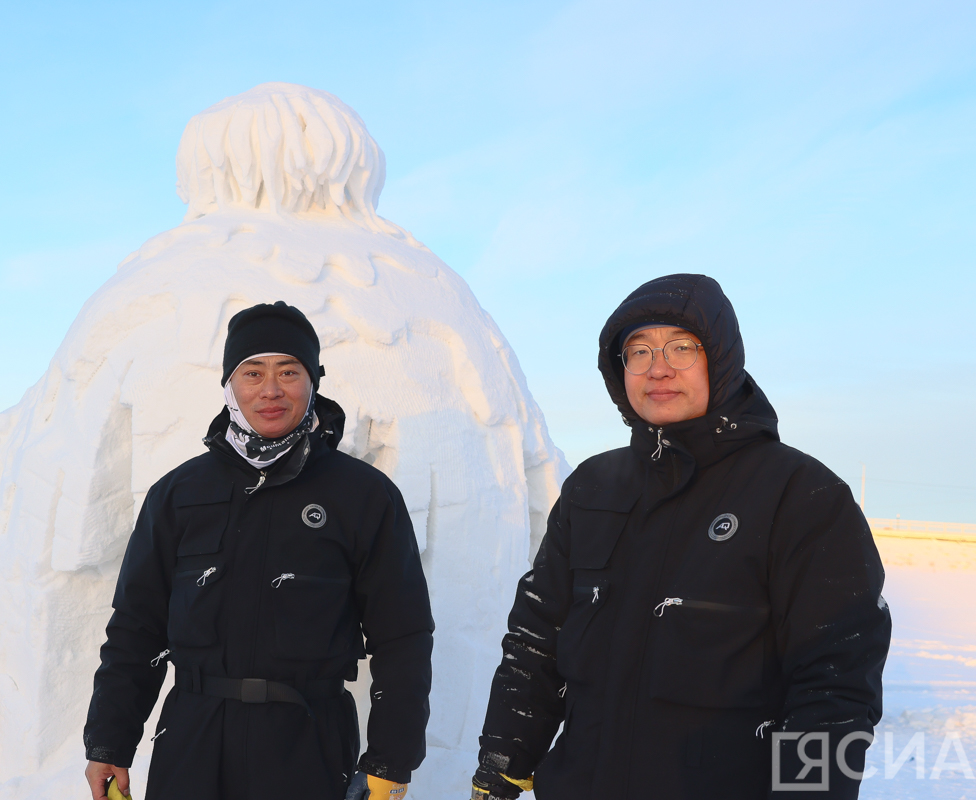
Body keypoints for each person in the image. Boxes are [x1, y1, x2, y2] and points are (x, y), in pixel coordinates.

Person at [471, 274, 891, 799]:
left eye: (681, 347)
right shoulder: (592, 489)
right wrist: (502, 766)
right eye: (638, 351)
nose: (658, 367)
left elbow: (835, 684)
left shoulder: (802, 496)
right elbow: (537, 643)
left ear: (721, 358)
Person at [83, 301, 433, 800]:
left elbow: (404, 636)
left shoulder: (363, 496)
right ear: (231, 385)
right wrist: (109, 741)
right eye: (253, 372)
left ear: (313, 381)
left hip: (309, 745)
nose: (270, 389)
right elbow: (137, 628)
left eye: (289, 371)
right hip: (192, 742)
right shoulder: (179, 494)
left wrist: (390, 762)